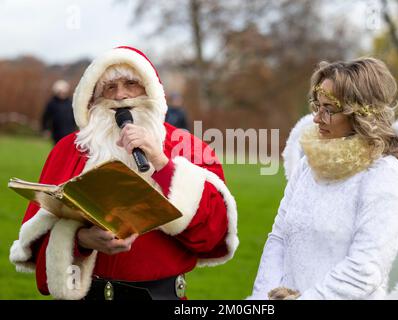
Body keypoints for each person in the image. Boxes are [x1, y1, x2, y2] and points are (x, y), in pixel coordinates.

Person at [10, 46, 238, 300]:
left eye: (132, 83)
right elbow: (39, 243)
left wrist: (163, 164)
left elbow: (212, 234)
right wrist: (81, 240)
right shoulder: (67, 150)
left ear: (151, 90)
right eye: (110, 87)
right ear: (92, 98)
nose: (121, 95)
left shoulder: (190, 147)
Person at [249, 57, 398, 300]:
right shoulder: (308, 165)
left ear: (360, 114)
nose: (317, 118)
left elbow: (365, 270)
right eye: (316, 106)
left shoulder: (384, 176)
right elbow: (279, 237)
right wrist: (261, 299)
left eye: (329, 110)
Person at [41, 79, 77, 144]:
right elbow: (45, 117)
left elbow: (75, 117)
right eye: (60, 92)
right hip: (56, 133)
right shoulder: (52, 103)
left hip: (69, 132)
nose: (62, 94)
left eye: (64, 92)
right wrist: (45, 129)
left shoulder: (71, 103)